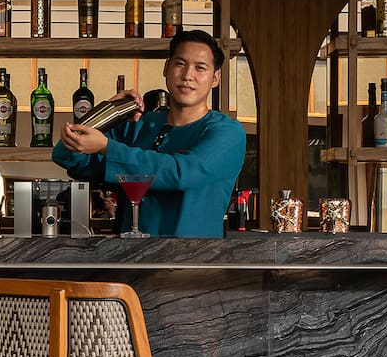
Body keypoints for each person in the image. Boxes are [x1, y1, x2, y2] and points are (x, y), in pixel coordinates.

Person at [53, 29, 246, 238]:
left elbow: (181, 173)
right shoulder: (140, 125)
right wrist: (109, 112)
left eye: (200, 68)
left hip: (192, 262)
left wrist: (108, 147)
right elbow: (65, 155)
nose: (188, 75)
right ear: (166, 67)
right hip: (133, 259)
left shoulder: (227, 132)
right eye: (180, 64)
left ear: (215, 78)